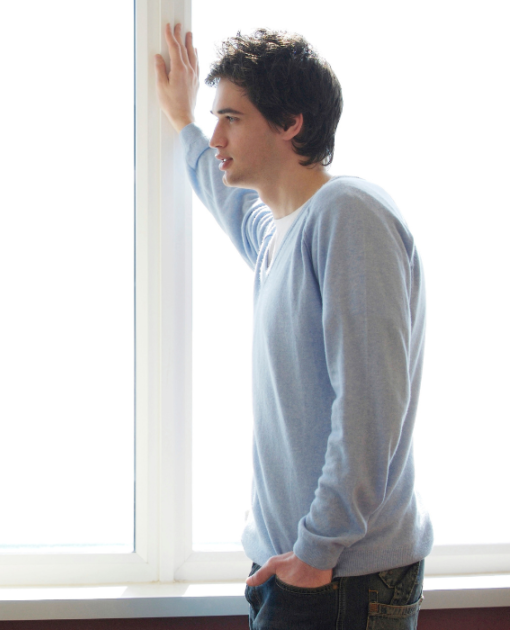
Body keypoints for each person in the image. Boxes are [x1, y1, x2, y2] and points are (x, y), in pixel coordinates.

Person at [155, 24, 433, 629]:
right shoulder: (281, 233)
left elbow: (370, 405)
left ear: (291, 123)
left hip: (341, 578)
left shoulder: (348, 215)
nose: (219, 136)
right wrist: (183, 124)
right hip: (301, 570)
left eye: (232, 117)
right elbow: (227, 199)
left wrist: (316, 551)